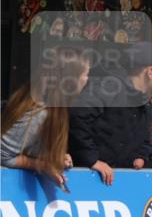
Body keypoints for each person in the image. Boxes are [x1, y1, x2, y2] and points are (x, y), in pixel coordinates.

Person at [69, 42, 152, 185]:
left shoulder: (145, 102)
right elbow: (77, 116)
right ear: (150, 71)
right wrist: (92, 160)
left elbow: (144, 138)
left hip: (117, 183)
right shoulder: (109, 88)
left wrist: (141, 157)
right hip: (88, 180)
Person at [2, 48, 90, 190]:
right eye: (85, 74)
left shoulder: (51, 107)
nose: (87, 79)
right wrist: (42, 165)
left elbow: (27, 146)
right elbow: (3, 156)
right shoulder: (39, 113)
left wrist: (52, 157)